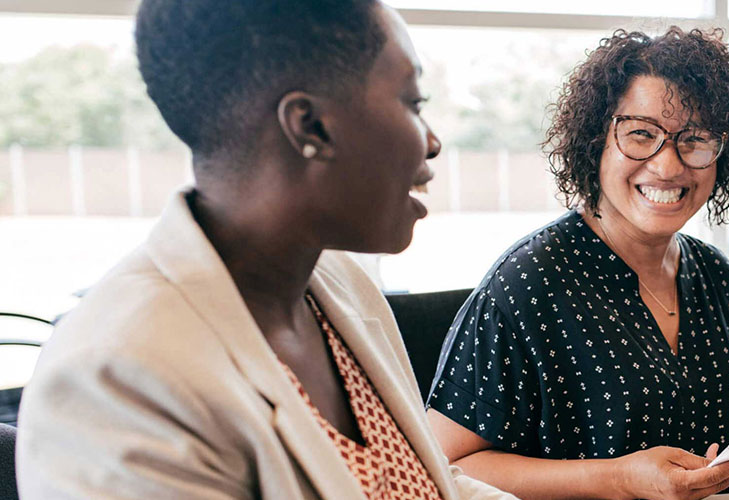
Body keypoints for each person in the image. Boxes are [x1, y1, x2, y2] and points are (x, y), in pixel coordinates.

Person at [16, 1, 511, 499]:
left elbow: (431, 483)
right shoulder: (118, 382)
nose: (432, 143)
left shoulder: (336, 280)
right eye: (413, 102)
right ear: (310, 126)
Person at [425, 27, 729, 500]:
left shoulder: (711, 272)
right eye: (641, 134)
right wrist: (616, 478)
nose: (669, 166)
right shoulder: (528, 283)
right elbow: (441, 465)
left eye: (694, 140)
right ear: (596, 141)